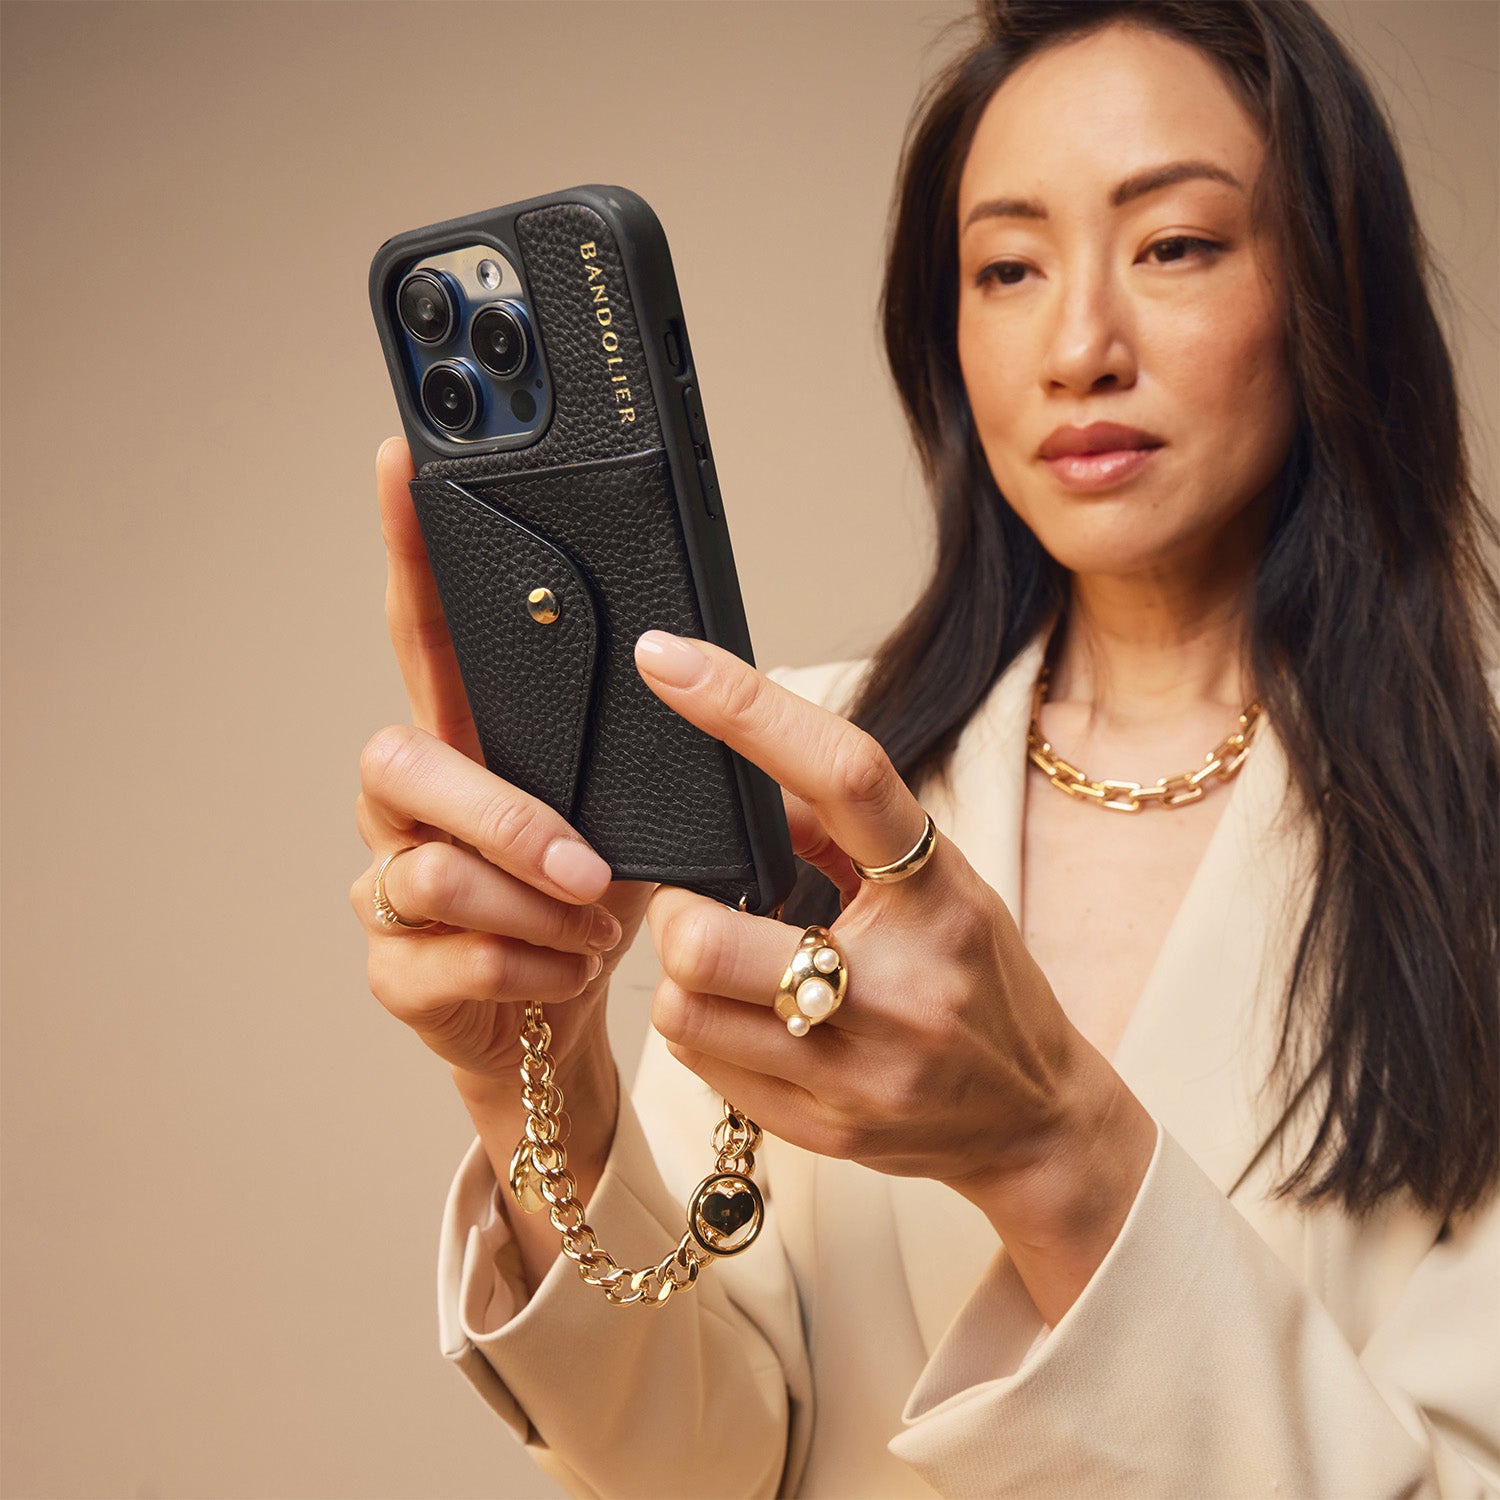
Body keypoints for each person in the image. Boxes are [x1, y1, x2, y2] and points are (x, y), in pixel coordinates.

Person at [352, 1, 1500, 1494]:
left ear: (1333, 287)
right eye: (1008, 269)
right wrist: (538, 1084)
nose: (1080, 347)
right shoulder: (815, 771)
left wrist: (1059, 1156)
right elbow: (716, 1462)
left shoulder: (1471, 822)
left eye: (1174, 246)